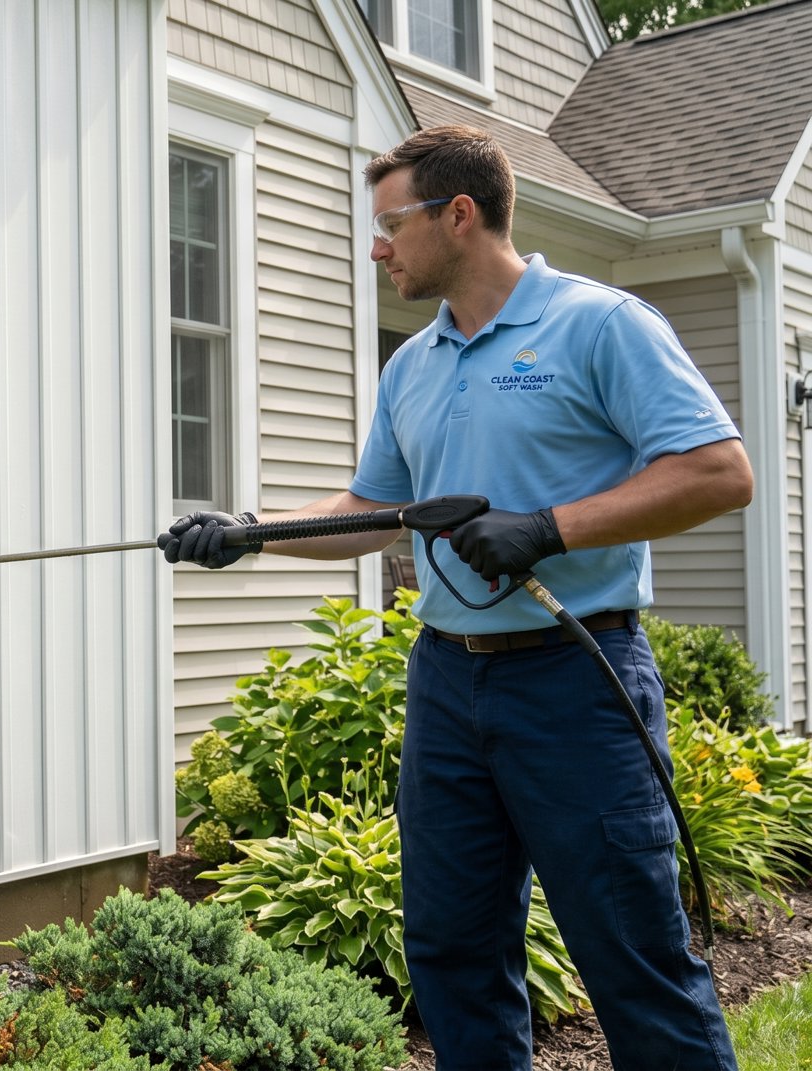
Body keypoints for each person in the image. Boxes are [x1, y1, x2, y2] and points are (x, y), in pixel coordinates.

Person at [161, 125, 750, 1070]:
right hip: (447, 684)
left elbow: (720, 472)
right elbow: (375, 511)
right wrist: (254, 530)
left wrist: (546, 528)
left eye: (391, 224)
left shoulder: (600, 325)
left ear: (460, 215)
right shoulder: (415, 363)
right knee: (451, 950)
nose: (376, 245)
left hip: (578, 681)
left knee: (632, 955)